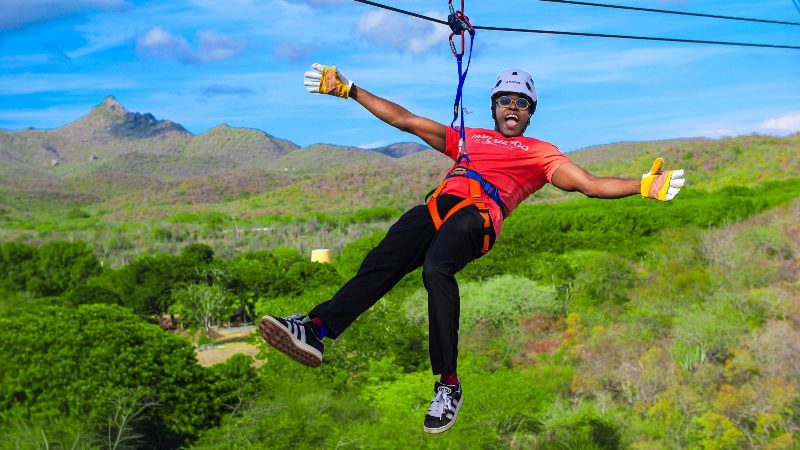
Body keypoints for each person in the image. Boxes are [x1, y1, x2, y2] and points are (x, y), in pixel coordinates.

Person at [259, 63, 685, 434]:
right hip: (436, 207)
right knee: (379, 265)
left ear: (531, 111)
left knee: (435, 271)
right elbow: (406, 121)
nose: (512, 107)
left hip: (476, 218)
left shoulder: (541, 153)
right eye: (505, 100)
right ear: (494, 106)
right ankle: (317, 329)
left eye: (521, 102)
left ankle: (448, 384)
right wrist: (350, 90)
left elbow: (590, 185)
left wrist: (640, 186)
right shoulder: (467, 138)